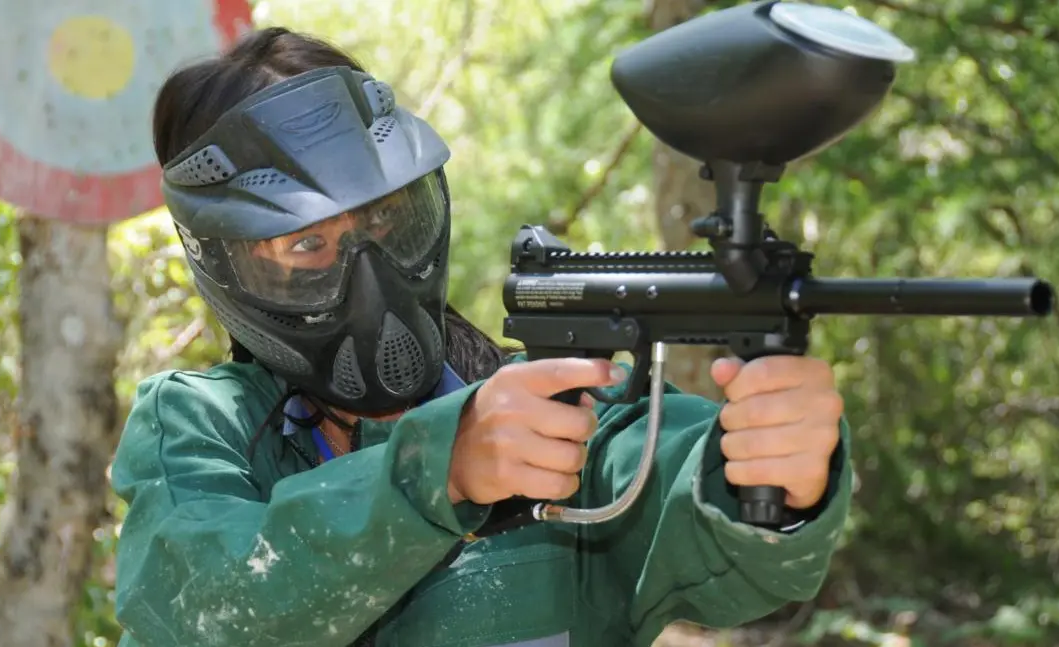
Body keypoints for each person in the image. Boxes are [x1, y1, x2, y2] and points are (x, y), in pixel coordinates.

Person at [110, 26, 853, 647]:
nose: (365, 273)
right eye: (306, 246)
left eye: (381, 221)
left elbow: (721, 538)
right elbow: (208, 608)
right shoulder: (199, 429)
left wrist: (772, 474)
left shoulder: (559, 418)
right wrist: (441, 471)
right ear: (225, 261)